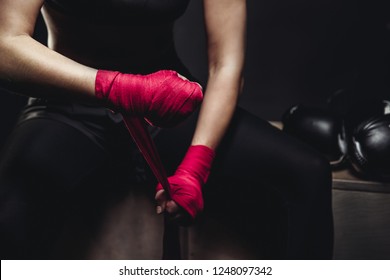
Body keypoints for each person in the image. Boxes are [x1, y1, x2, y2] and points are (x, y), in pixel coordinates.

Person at [0, 0, 333, 259]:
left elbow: (226, 65)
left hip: (165, 103)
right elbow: (6, 45)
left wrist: (197, 163)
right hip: (69, 106)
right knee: (10, 219)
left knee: (308, 173)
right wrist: (118, 87)